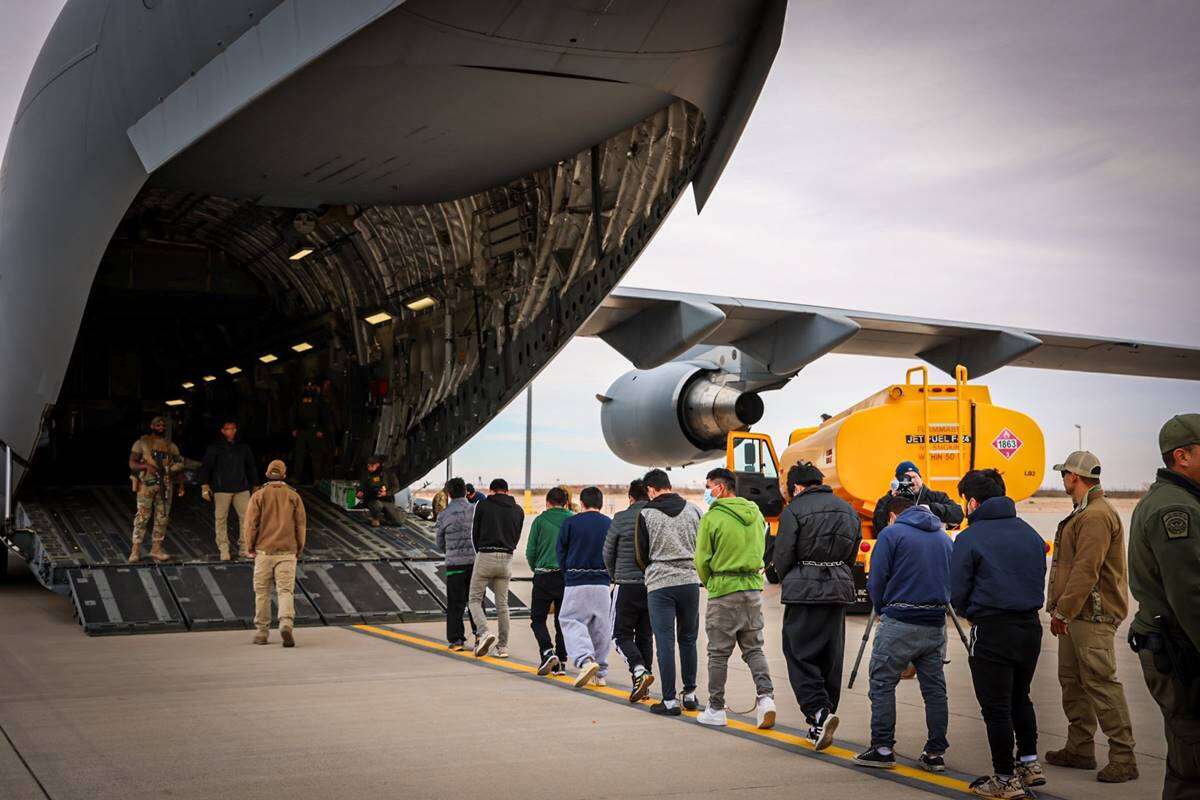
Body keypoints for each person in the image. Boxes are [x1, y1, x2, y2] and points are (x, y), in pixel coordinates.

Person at [951, 469, 1047, 799]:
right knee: (1021, 696)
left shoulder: (969, 537)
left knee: (996, 707)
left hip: (992, 629)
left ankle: (1005, 778)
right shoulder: (1029, 533)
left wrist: (969, 612)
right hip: (1030, 628)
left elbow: (957, 590)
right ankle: (1030, 763)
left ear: (973, 502)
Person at [1044, 450, 1138, 783]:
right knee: (1073, 682)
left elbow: (1086, 570)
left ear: (1075, 476)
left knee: (1101, 684)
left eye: (1064, 475)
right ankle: (1080, 748)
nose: (1063, 481)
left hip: (1092, 616)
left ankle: (1124, 757)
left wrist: (1063, 611)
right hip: (1076, 615)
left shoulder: (1096, 515)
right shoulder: (1085, 511)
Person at [1128, 414, 1200, 800]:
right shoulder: (1177, 510)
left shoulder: (1176, 500)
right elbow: (1191, 594)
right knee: (1193, 761)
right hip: (1180, 649)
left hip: (1175, 644)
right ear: (1182, 456)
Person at [854, 495, 952, 771]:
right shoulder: (943, 538)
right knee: (934, 690)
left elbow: (877, 578)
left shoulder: (892, 534)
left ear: (893, 516)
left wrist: (883, 608)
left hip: (900, 620)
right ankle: (935, 752)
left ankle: (883, 747)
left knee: (883, 682)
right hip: (934, 623)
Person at [774, 461, 861, 750]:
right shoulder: (847, 508)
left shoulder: (794, 510)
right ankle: (820, 721)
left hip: (805, 590)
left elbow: (783, 555)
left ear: (797, 486)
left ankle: (818, 711)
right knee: (830, 655)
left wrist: (792, 576)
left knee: (799, 653)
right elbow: (852, 552)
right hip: (838, 588)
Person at [694, 467, 776, 730]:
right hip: (752, 589)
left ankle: (716, 708)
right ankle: (766, 699)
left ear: (720, 487)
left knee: (718, 653)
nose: (707, 492)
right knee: (754, 648)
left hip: (724, 588)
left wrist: (711, 582)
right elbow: (763, 547)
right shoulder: (755, 513)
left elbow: (701, 559)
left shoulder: (712, 517)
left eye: (709, 487)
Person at [635, 468, 703, 716]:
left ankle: (670, 700)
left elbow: (641, 554)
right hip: (689, 581)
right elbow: (703, 545)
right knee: (688, 639)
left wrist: (655, 568)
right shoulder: (694, 510)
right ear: (668, 485)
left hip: (660, 584)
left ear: (651, 490)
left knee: (664, 642)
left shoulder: (646, 514)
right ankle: (691, 693)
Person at [244, 459, 306, 647]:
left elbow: (250, 525)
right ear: (284, 475)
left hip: (264, 551)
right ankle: (286, 623)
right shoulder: (294, 496)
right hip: (287, 552)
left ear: (267, 474)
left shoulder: (258, 496)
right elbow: (301, 525)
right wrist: (299, 549)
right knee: (285, 591)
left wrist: (249, 547)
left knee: (262, 592)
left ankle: (262, 633)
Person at [557, 486, 613, 688]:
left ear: (581, 503)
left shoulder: (570, 522)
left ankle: (585, 660)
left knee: (570, 620)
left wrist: (567, 574)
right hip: (602, 584)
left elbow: (561, 553)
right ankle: (601, 673)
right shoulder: (609, 523)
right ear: (601, 503)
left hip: (576, 581)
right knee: (601, 628)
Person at [605, 479, 655, 703]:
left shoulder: (621, 518)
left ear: (631, 498)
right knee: (645, 636)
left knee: (619, 635)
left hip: (626, 584)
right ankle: (644, 685)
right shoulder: (655, 517)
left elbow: (608, 552)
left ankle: (638, 670)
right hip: (652, 586)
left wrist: (614, 575)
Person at [468, 478, 524, 658]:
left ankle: (484, 632)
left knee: (474, 599)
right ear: (507, 491)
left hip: (485, 555)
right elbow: (516, 536)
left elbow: (474, 533)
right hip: (506, 558)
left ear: (491, 491)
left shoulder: (483, 505)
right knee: (503, 605)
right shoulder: (518, 510)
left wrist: (481, 553)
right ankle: (503, 647)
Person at [526, 487, 572, 675]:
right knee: (562, 620)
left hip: (543, 575)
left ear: (548, 502)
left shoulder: (540, 521)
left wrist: (536, 568)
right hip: (565, 577)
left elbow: (530, 551)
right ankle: (561, 660)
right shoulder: (572, 520)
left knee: (538, 618)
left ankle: (547, 651)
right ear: (565, 502)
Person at [128, 415, 185, 563]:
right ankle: (135, 550)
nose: (161, 428)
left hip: (165, 485)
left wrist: (178, 482)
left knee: (162, 517)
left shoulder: (170, 445)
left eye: (163, 426)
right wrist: (146, 466)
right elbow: (132, 463)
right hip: (146, 485)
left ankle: (156, 549)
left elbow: (180, 464)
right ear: (152, 426)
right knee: (142, 517)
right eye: (158, 425)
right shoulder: (142, 443)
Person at [199, 420, 257, 561]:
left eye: (232, 428)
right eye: (227, 429)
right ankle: (224, 549)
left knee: (247, 519)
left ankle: (245, 548)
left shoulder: (243, 447)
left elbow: (251, 467)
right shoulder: (215, 448)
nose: (230, 431)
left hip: (241, 488)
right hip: (221, 489)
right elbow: (206, 467)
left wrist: (256, 485)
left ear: (236, 430)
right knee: (220, 519)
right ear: (222, 431)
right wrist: (204, 486)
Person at [435, 478, 478, 651]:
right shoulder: (475, 510)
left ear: (449, 494)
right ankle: (480, 636)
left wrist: (451, 551)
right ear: (465, 491)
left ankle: (456, 639)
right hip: (475, 564)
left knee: (455, 602)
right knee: (476, 600)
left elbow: (439, 543)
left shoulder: (444, 515)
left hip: (455, 565)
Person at [871, 460, 964, 534]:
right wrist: (891, 496)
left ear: (921, 478)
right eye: (907, 478)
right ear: (899, 482)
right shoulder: (887, 501)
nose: (912, 481)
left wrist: (931, 508)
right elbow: (878, 527)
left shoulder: (937, 497)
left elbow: (958, 514)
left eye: (915, 477)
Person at [291, 377, 328, 484]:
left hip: (315, 429)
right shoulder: (299, 398)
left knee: (316, 455)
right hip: (302, 430)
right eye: (307, 386)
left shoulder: (319, 398)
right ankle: (296, 477)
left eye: (312, 386)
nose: (309, 387)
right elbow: (294, 413)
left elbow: (324, 414)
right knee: (299, 455)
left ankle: (317, 478)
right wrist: (294, 427)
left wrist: (321, 429)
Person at [356, 455, 389, 527]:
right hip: (370, 498)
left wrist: (384, 490)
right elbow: (362, 484)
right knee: (376, 504)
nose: (369, 468)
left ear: (377, 465)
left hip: (384, 498)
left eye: (371, 466)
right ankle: (375, 518)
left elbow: (386, 485)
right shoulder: (366, 473)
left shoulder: (383, 473)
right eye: (368, 466)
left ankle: (380, 518)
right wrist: (360, 491)